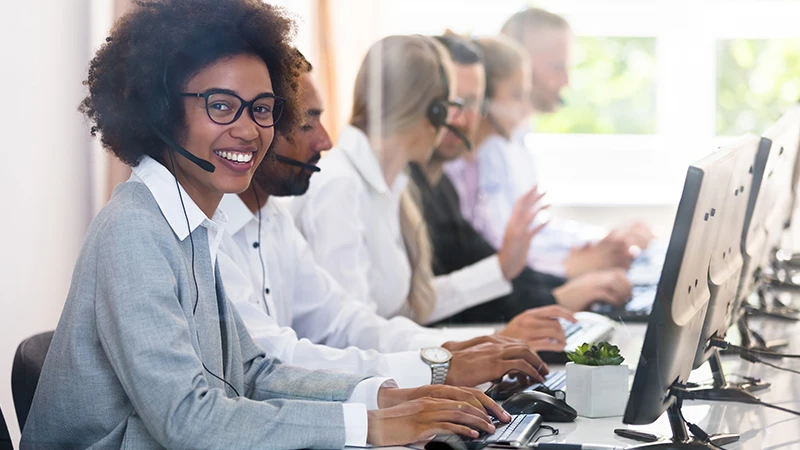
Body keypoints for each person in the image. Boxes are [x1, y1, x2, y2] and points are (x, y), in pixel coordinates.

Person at [20, 2, 505, 447]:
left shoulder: (192, 225)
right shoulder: (134, 230)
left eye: (263, 108)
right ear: (162, 110)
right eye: (221, 105)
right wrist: (366, 426)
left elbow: (249, 372)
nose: (250, 129)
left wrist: (381, 396)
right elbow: (188, 418)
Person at [217, 49, 557, 394]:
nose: (326, 140)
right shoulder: (337, 185)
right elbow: (276, 360)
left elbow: (348, 321)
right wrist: (438, 367)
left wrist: (456, 351)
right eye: (307, 123)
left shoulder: (280, 216)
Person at [289, 35, 555, 328]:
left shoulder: (391, 187)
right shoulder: (340, 188)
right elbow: (352, 333)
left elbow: (412, 306)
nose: (455, 119)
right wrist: (468, 348)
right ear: (433, 112)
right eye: (449, 105)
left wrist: (502, 268)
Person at [417, 34, 631, 319]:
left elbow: (488, 264)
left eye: (470, 103)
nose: (460, 117)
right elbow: (442, 296)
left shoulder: (443, 183)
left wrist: (560, 290)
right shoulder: (435, 178)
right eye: (451, 103)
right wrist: (561, 289)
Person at [444, 8, 654, 279]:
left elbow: (535, 233)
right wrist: (570, 267)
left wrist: (605, 241)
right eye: (557, 67)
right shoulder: (477, 154)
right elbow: (496, 252)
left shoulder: (513, 138)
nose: (566, 80)